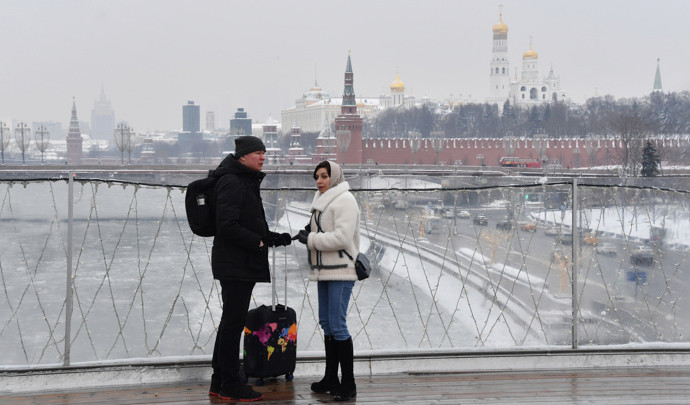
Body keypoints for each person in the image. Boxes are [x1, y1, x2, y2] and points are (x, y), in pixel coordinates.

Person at [208, 135, 292, 402]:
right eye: (257, 152)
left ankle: (219, 380)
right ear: (242, 156)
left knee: (229, 323)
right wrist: (256, 241)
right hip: (235, 263)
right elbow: (227, 225)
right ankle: (231, 384)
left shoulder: (242, 179)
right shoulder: (233, 181)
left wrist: (270, 237)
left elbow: (248, 221)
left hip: (238, 261)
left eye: (264, 152)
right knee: (233, 325)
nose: (262, 157)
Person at [293, 160, 360, 401]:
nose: (320, 181)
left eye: (324, 176)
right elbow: (322, 230)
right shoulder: (322, 201)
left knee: (338, 324)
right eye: (317, 177)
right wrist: (308, 232)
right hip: (324, 269)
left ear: (335, 177)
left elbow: (342, 238)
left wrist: (310, 239)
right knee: (327, 324)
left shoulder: (345, 200)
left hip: (342, 270)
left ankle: (348, 383)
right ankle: (331, 377)